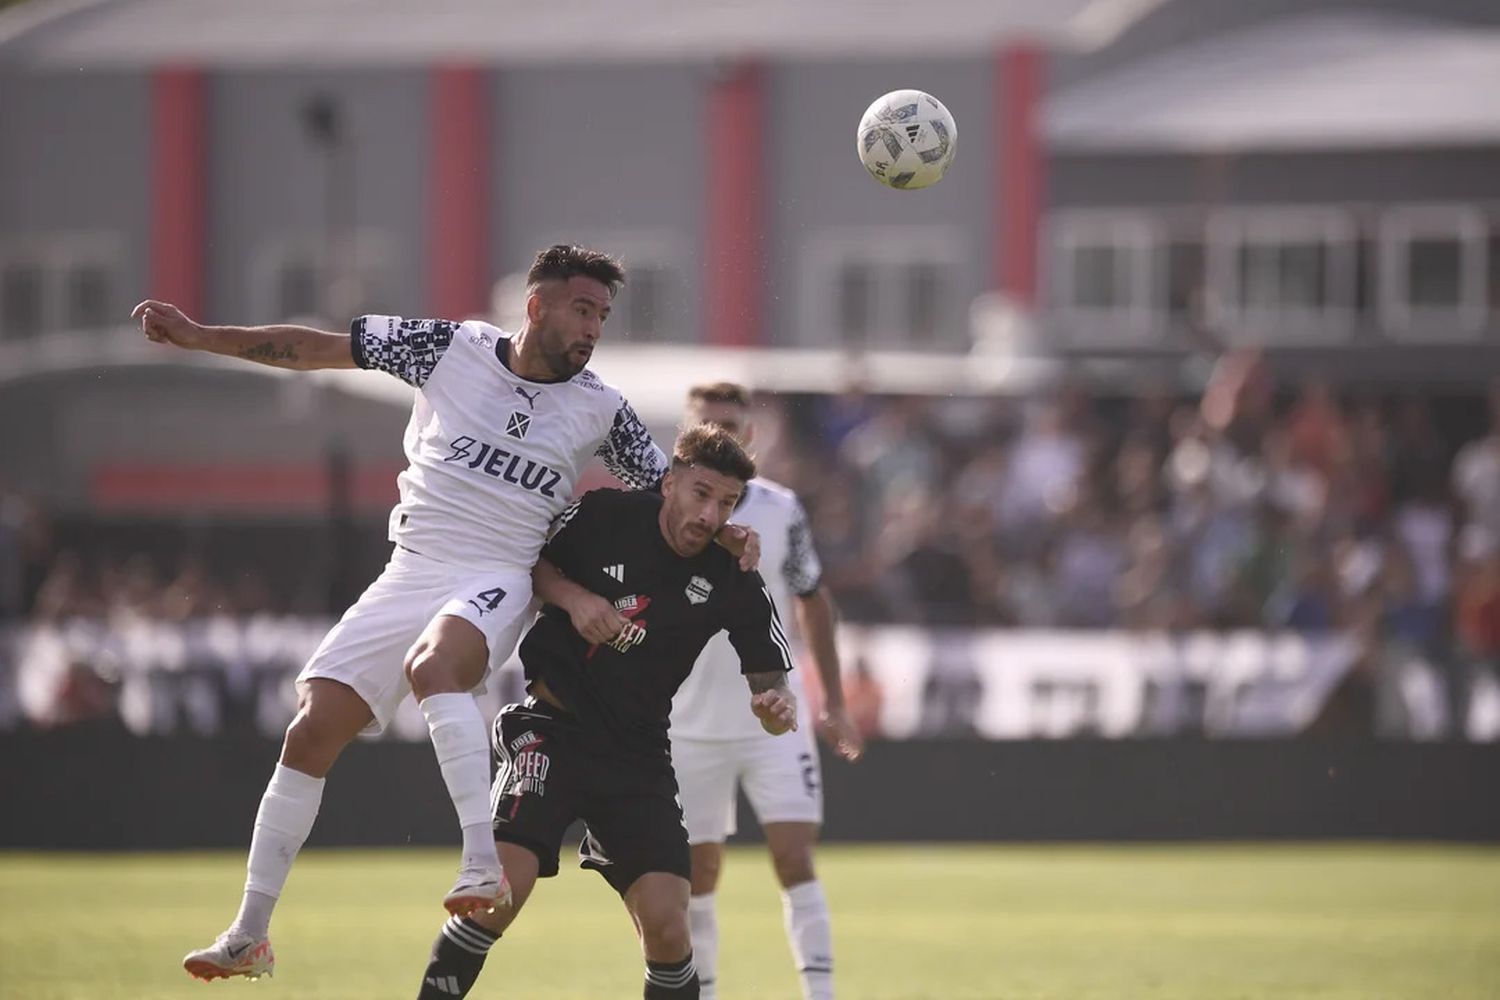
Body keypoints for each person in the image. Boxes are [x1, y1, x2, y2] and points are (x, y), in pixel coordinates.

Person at [132, 244, 757, 982]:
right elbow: (314, 349)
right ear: (536, 306)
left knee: (435, 667)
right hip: (411, 570)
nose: (593, 327)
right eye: (582, 309)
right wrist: (204, 337)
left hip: (501, 574)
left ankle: (480, 864)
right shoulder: (448, 348)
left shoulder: (601, 408)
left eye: (603, 315)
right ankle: (249, 933)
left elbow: (674, 493)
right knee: (311, 728)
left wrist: (726, 530)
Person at [414, 424, 798, 1000]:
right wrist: (575, 599)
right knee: (497, 893)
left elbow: (770, 682)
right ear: (669, 484)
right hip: (551, 730)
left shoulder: (731, 575)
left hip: (638, 756)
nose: (710, 515)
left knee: (670, 928)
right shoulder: (605, 516)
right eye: (701, 494)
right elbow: (529, 564)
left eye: (726, 503)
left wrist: (775, 707)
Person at [669, 382, 863, 1000]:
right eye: (710, 422)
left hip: (775, 717)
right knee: (697, 876)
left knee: (795, 861)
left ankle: (820, 994)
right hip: (687, 725)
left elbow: (812, 601)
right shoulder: (660, 507)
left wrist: (832, 702)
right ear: (687, 433)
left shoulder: (781, 510)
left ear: (751, 435)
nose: (723, 433)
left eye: (733, 423)